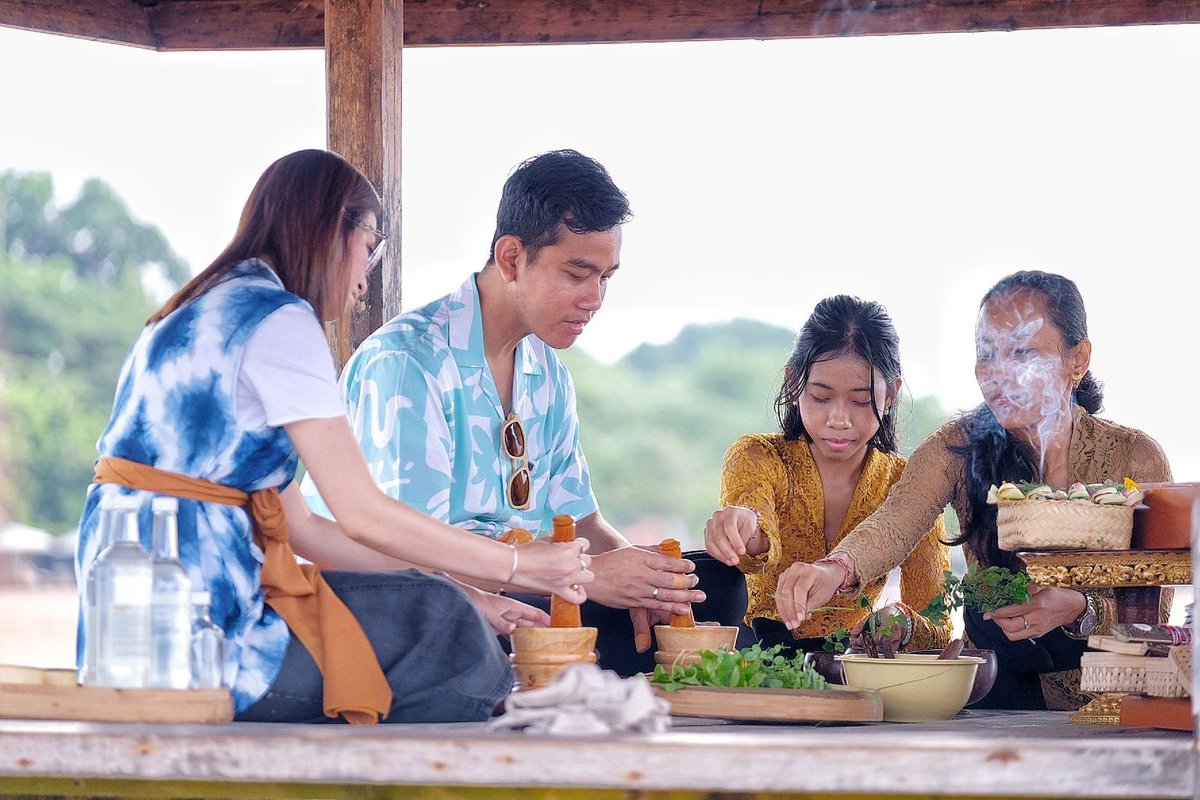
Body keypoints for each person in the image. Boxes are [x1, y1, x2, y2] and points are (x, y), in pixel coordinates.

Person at [75, 149, 592, 725]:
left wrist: (471, 594)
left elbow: (303, 528)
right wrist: (518, 568)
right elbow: (361, 513)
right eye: (368, 247)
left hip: (122, 623)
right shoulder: (281, 320)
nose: (365, 277)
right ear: (330, 228)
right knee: (445, 635)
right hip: (201, 627)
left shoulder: (195, 310)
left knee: (450, 610)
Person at [305, 149, 739, 676]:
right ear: (511, 258)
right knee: (464, 627)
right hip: (430, 601)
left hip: (535, 593)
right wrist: (587, 577)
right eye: (578, 274)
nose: (596, 298)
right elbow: (408, 556)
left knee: (711, 589)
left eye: (607, 277)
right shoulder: (407, 363)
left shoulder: (547, 371)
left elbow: (581, 520)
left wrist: (645, 583)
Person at [773, 270, 1173, 709]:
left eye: (1022, 353)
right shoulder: (957, 446)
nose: (1000, 375)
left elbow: (1159, 616)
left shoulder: (1134, 457)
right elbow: (895, 520)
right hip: (996, 692)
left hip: (1112, 705)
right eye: (987, 354)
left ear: (1077, 358)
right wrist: (833, 570)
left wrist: (1082, 610)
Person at [704, 295, 952, 657]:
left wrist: (899, 622)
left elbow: (939, 623)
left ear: (890, 395)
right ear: (794, 383)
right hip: (755, 662)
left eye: (860, 401)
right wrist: (742, 527)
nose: (839, 419)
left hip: (855, 669)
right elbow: (756, 544)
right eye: (820, 397)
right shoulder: (757, 456)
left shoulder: (909, 486)